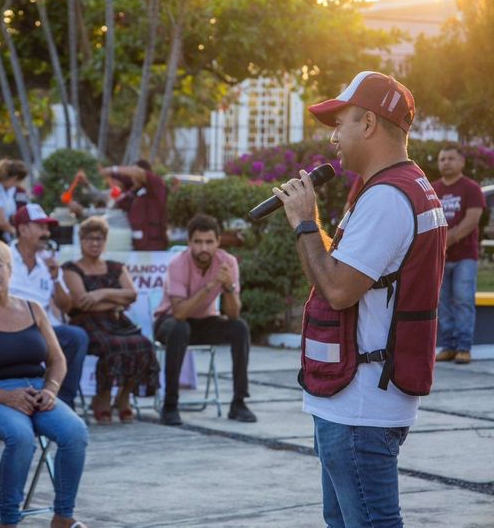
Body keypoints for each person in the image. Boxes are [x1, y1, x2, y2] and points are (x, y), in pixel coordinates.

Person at [273, 71, 446, 527]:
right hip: (355, 402)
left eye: (341, 122)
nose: (333, 138)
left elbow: (337, 289)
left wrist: (305, 222)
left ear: (368, 123)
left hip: (360, 406)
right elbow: (344, 272)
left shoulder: (387, 198)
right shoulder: (395, 187)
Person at [0, 240, 89, 528]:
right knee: (21, 437)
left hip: (36, 391)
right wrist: (4, 396)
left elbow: (58, 360)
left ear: (10, 270)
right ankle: (8, 521)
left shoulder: (33, 309)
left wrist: (50, 390)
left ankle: (63, 516)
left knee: (75, 431)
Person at [153, 214, 255, 426]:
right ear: (189, 242)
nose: (204, 248)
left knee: (240, 327)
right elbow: (179, 313)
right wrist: (210, 286)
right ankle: (169, 405)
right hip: (168, 322)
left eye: (209, 242)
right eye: (198, 242)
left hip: (203, 322)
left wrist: (227, 287)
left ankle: (239, 402)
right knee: (179, 328)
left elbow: (233, 313)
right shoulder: (177, 264)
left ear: (218, 241)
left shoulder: (228, 262)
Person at [63, 217, 160, 424]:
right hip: (86, 323)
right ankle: (102, 397)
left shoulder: (115, 267)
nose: (95, 243)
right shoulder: (71, 268)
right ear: (81, 241)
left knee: (142, 345)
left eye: (99, 239)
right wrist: (117, 302)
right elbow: (82, 303)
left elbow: (132, 295)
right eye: (90, 239)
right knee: (112, 346)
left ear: (105, 242)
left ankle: (123, 397)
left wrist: (100, 294)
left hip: (116, 321)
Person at [8, 203, 88, 410]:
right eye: (40, 227)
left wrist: (56, 278)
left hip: (44, 328)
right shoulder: (3, 257)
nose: (46, 233)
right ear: (22, 229)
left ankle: (63, 403)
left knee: (77, 336)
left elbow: (66, 306)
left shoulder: (49, 261)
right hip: (10, 328)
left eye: (47, 228)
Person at [432, 144, 485, 365]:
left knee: (463, 301)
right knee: (443, 302)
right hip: (440, 258)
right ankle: (448, 346)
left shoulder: (471, 188)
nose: (446, 162)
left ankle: (464, 347)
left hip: (464, 256)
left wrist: (446, 240)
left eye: (451, 158)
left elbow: (472, 220)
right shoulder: (433, 189)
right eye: (442, 159)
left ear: (461, 162)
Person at [98, 160, 168, 251]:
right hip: (135, 247)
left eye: (133, 173)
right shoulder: (134, 192)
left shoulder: (156, 185)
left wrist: (112, 169)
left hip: (154, 248)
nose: (132, 176)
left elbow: (139, 172)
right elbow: (115, 206)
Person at [0, 159, 29, 242]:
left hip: (5, 232)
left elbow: (12, 215)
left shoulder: (10, 190)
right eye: (17, 181)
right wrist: (18, 233)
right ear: (14, 178)